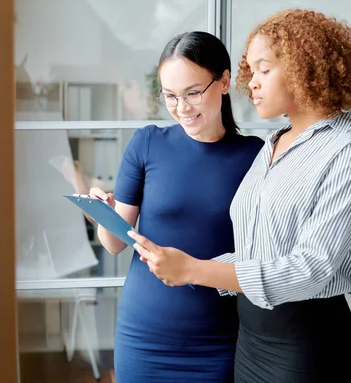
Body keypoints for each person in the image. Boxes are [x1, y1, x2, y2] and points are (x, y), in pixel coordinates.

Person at [128, 9, 351, 382]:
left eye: (264, 70)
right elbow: (259, 251)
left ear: (305, 68)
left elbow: (309, 269)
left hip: (307, 348)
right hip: (249, 343)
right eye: (251, 71)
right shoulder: (274, 143)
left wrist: (194, 269)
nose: (253, 84)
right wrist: (184, 269)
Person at [88, 31, 264, 382]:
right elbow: (115, 243)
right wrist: (103, 216)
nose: (182, 108)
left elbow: (262, 254)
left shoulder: (255, 155)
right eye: (170, 96)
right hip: (143, 336)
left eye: (192, 93)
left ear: (225, 81)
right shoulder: (147, 143)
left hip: (218, 339)